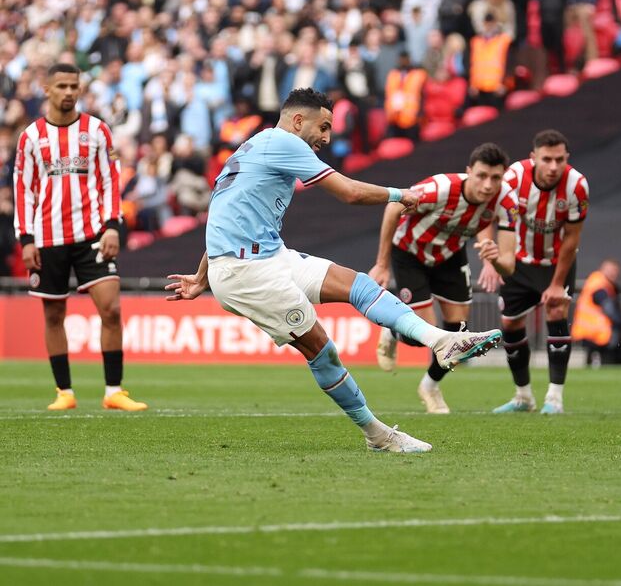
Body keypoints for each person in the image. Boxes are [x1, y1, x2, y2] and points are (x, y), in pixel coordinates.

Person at [164, 88, 502, 453]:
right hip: (247, 272)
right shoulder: (284, 142)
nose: (327, 137)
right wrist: (399, 194)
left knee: (356, 283)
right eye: (323, 127)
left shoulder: (253, 146)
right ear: (297, 121)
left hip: (265, 257)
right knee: (322, 350)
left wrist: (202, 276)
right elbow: (350, 192)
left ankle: (442, 341)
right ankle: (379, 435)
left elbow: (224, 216)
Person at [13, 63, 146, 412]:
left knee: (112, 309)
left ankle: (113, 390)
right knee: (54, 315)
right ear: (47, 89)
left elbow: (110, 181)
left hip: (93, 235)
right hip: (47, 236)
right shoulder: (31, 137)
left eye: (75, 86)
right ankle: (64, 392)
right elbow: (24, 190)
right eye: (62, 86)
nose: (69, 92)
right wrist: (26, 238)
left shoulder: (97, 131)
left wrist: (113, 226)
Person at [369, 143, 519, 414]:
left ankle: (429, 386)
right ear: (469, 172)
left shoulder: (507, 202)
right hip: (410, 252)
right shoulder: (440, 188)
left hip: (449, 255)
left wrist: (495, 259)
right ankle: (392, 331)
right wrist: (382, 264)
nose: (488, 185)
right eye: (482, 176)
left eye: (496, 178)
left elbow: (508, 266)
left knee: (458, 335)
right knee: (421, 335)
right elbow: (394, 207)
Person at [483, 130, 589, 415]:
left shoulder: (577, 185)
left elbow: (572, 238)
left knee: (556, 314)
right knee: (511, 325)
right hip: (516, 262)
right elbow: (486, 214)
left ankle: (554, 398)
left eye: (559, 159)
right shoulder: (513, 178)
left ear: (567, 158)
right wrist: (488, 260)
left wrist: (556, 284)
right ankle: (523, 397)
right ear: (533, 158)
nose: (554, 167)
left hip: (556, 262)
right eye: (547, 159)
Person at [572, 259, 621, 367]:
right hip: (597, 333)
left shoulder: (605, 286)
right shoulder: (599, 286)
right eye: (610, 270)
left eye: (616, 271)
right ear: (602, 270)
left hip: (597, 332)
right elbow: (613, 315)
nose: (613, 273)